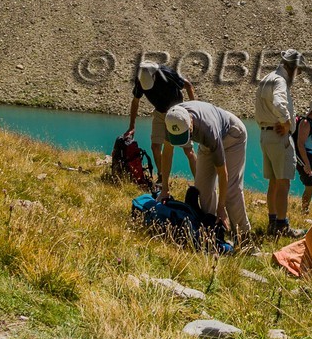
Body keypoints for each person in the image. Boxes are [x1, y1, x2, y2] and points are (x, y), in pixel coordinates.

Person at [163, 99, 253, 245]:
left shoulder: (208, 129)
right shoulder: (172, 120)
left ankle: (244, 239)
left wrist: (221, 208)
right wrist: (164, 188)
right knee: (202, 188)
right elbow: (166, 154)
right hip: (206, 141)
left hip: (232, 135)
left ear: (190, 124)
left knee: (231, 190)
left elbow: (223, 173)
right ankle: (212, 232)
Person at [127, 60, 197, 199]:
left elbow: (188, 85)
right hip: (160, 113)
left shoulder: (167, 73)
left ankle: (200, 182)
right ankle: (161, 177)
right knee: (155, 146)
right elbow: (135, 101)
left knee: (188, 150)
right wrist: (132, 126)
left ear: (155, 75)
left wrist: (192, 113)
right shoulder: (140, 78)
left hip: (178, 112)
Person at [254, 50, 302, 237]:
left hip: (265, 135)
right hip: (278, 136)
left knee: (274, 182)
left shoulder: (268, 77)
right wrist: (287, 122)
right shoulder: (281, 81)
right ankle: (283, 226)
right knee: (283, 183)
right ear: (293, 67)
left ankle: (272, 223)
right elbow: (279, 102)